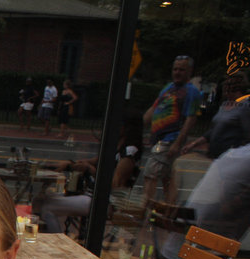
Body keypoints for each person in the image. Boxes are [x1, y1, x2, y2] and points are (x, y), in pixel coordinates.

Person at [39, 113, 143, 233]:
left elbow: (115, 185)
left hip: (106, 202)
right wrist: (69, 164)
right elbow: (92, 161)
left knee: (47, 206)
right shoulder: (117, 147)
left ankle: (56, 241)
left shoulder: (129, 152)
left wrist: (90, 169)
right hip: (93, 196)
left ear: (125, 127)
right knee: (43, 199)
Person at [143, 55, 202, 208]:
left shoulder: (191, 92)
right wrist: (139, 124)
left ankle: (145, 209)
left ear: (189, 71)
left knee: (151, 173)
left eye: (181, 70)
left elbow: (190, 119)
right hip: (158, 139)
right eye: (175, 69)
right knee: (168, 178)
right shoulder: (168, 88)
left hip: (169, 140)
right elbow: (154, 108)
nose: (177, 72)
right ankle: (169, 209)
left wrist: (177, 143)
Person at [182, 70, 250, 159]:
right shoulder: (225, 105)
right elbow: (214, 130)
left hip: (232, 157)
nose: (226, 90)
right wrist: (194, 144)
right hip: (215, 155)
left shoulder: (245, 107)